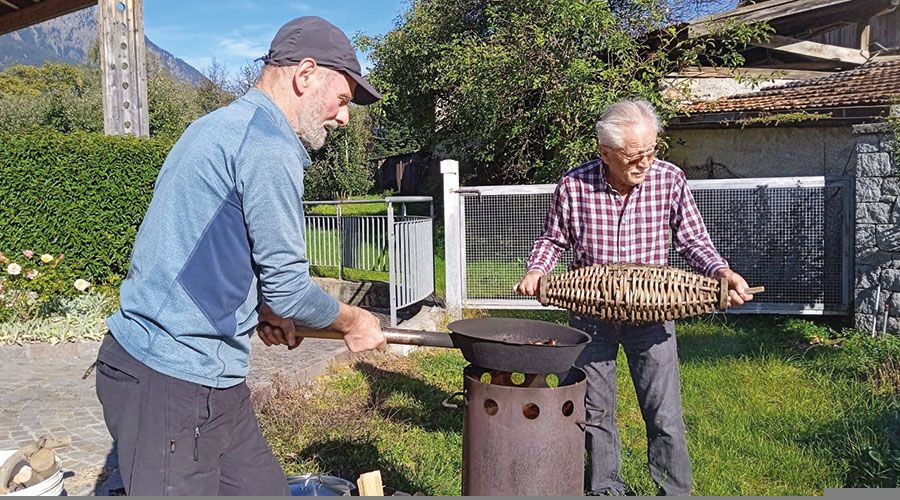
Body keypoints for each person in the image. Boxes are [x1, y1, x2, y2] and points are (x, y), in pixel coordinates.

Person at [93, 16, 387, 496]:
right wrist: (354, 322)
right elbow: (291, 289)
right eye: (343, 100)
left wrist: (259, 310)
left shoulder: (222, 126)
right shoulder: (268, 145)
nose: (343, 117)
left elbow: (210, 251)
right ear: (306, 74)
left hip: (209, 381)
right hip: (171, 381)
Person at [515, 100, 755, 496]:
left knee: (664, 412)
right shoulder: (574, 185)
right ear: (604, 153)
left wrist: (720, 271)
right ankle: (605, 488)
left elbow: (692, 239)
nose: (645, 162)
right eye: (633, 155)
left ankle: (674, 491)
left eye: (651, 150)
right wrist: (537, 270)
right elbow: (553, 238)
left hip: (653, 316)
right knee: (594, 410)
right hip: (591, 314)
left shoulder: (670, 179)